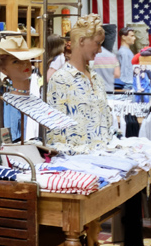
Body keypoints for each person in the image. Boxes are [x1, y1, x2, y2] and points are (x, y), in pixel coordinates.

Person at [45, 15, 113, 153]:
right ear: (81, 41)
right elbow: (54, 136)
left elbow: (106, 124)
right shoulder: (60, 79)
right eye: (98, 43)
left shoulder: (97, 79)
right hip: (76, 160)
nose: (100, 50)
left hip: (104, 157)